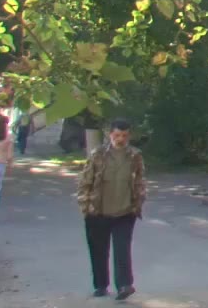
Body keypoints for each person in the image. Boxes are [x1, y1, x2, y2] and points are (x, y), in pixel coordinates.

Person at [77, 118, 145, 300]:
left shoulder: (135, 155)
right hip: (98, 210)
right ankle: (101, 285)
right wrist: (85, 206)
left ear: (129, 136)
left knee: (122, 249)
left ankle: (124, 285)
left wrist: (138, 202)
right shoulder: (98, 154)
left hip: (125, 212)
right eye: (117, 135)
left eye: (124, 135)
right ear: (110, 135)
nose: (120, 139)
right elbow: (85, 181)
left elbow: (139, 180)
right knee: (99, 250)